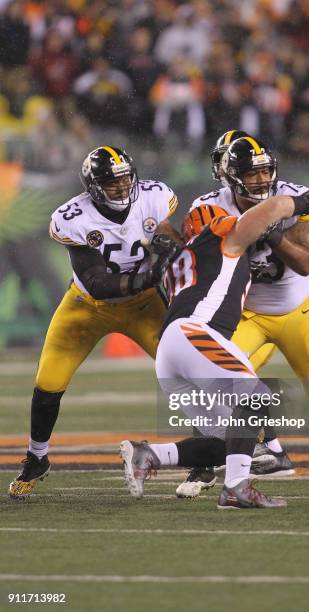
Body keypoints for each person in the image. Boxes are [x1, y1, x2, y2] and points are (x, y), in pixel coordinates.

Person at [187, 135, 309, 501]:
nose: (261, 180)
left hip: (298, 310)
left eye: (265, 172)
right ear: (231, 176)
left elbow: (305, 260)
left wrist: (271, 231)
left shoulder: (294, 198)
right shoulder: (209, 207)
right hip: (246, 313)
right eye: (251, 173)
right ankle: (205, 467)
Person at [120, 166, 309, 509]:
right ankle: (236, 488)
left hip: (173, 350)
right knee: (257, 398)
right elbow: (269, 212)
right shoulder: (221, 232)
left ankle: (149, 454)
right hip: (195, 334)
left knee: (226, 439)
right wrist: (301, 203)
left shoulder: (179, 260)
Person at [9, 145, 180, 500]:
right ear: (93, 185)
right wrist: (148, 277)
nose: (121, 187)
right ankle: (37, 457)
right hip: (86, 305)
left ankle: (209, 450)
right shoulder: (73, 217)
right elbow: (99, 283)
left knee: (185, 368)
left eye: (124, 179)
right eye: (110, 182)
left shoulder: (154, 197)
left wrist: (169, 244)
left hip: (143, 306)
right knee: (48, 380)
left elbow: (169, 236)